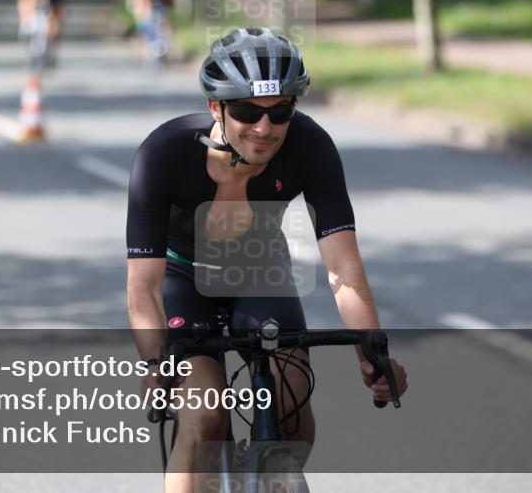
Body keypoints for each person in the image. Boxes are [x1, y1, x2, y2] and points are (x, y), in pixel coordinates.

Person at [126, 27, 408, 492]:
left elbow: (343, 271)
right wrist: (156, 362)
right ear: (215, 108)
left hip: (259, 269)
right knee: (205, 415)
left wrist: (372, 353)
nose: (264, 128)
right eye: (245, 112)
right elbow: (143, 287)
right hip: (182, 276)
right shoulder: (163, 153)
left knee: (292, 403)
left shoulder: (310, 146)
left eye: (280, 113)